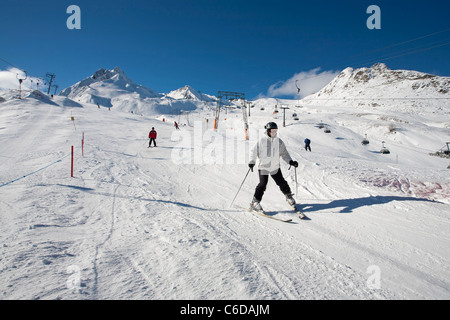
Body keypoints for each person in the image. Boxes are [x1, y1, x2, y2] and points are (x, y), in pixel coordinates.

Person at [248, 122, 298, 213]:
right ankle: (255, 202)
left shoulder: (279, 142)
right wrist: (252, 162)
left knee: (281, 182)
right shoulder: (261, 140)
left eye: (275, 131)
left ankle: (288, 195)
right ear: (267, 131)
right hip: (264, 166)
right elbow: (253, 152)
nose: (274, 133)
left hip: (275, 166)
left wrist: (290, 161)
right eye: (272, 131)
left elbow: (284, 153)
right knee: (263, 184)